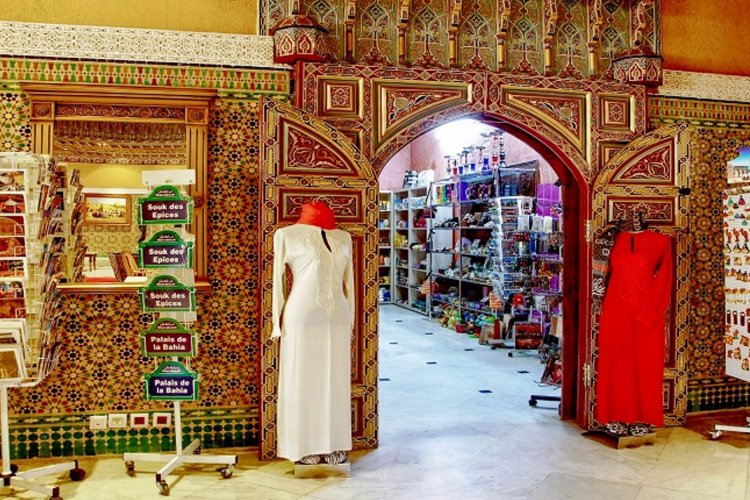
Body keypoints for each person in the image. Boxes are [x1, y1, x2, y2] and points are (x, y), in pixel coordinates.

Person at [272, 201, 354, 465]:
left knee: (335, 380)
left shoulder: (343, 237)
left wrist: (351, 318)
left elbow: (350, 282)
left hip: (337, 316)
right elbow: (277, 281)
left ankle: (334, 443)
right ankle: (302, 444)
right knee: (302, 378)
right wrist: (276, 321)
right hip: (302, 316)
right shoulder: (286, 235)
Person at [595, 211, 673, 436]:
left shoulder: (660, 242)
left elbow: (665, 278)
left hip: (647, 313)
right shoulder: (609, 239)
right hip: (615, 311)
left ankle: (644, 417)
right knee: (616, 364)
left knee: (645, 365)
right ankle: (614, 415)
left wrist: (652, 312)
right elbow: (599, 276)